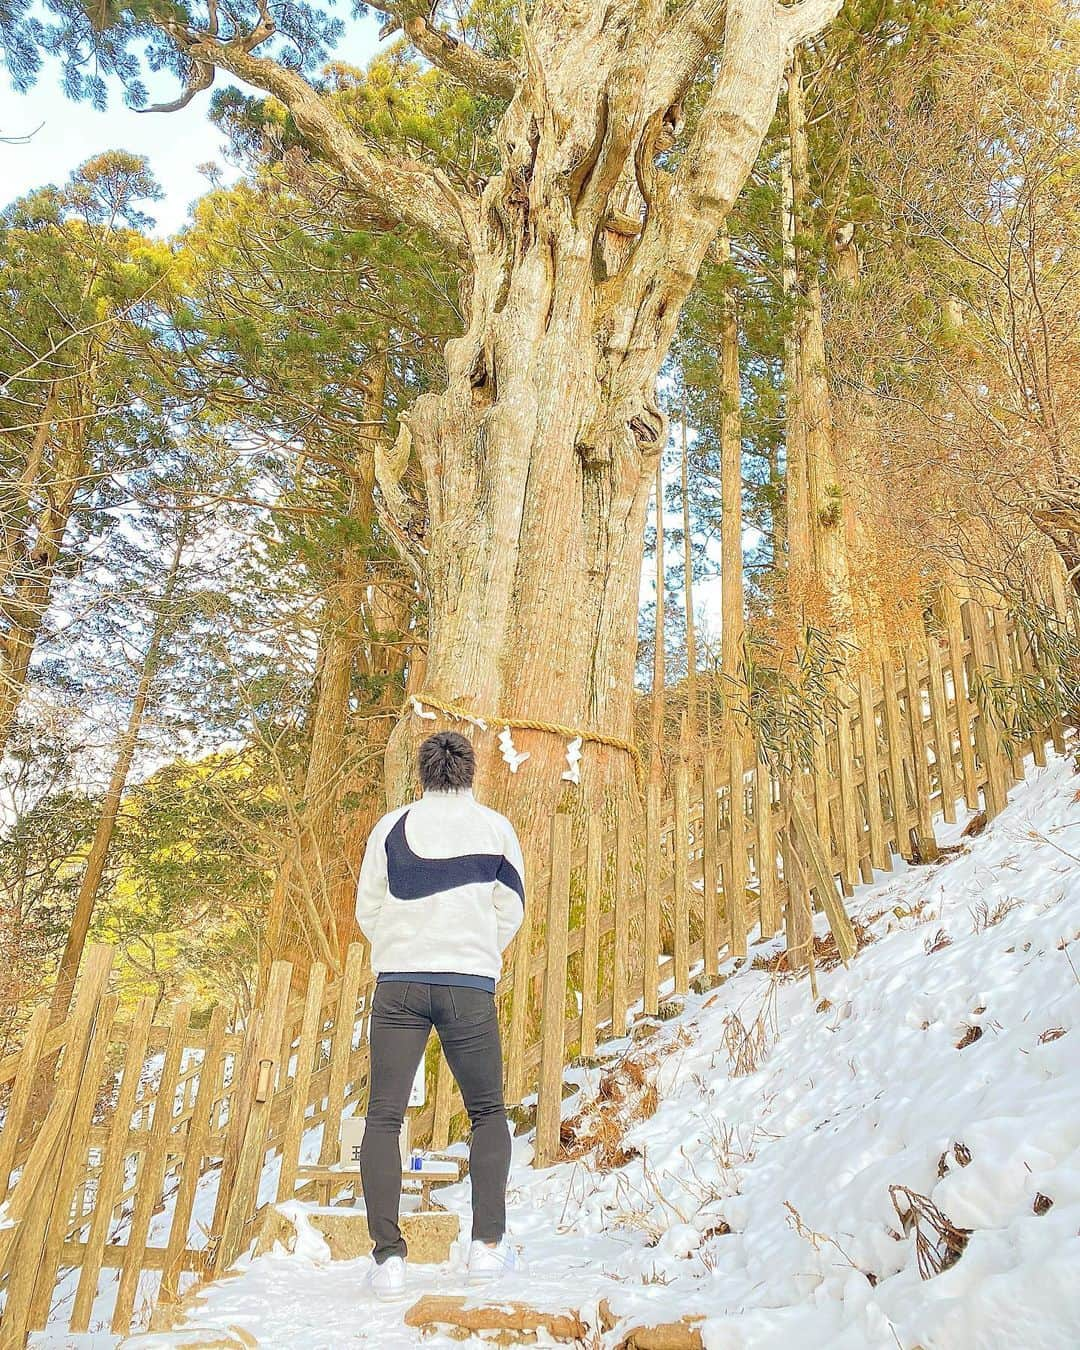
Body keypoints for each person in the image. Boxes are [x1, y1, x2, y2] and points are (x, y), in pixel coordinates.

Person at [355, 730, 526, 1301]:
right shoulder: (496, 827)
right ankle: (485, 1249)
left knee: (383, 1118)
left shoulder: (390, 826)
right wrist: (477, 951)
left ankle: (388, 1260)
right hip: (467, 985)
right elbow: (512, 909)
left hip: (399, 983)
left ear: (422, 773)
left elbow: (368, 909)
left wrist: (402, 948)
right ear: (470, 771)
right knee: (486, 1112)